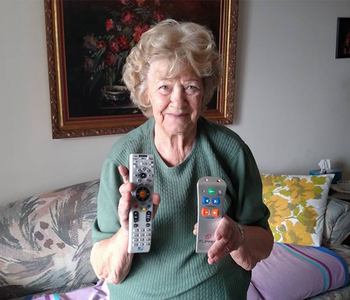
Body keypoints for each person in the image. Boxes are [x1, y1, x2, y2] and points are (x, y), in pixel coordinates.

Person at [91, 19, 273, 299]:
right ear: (145, 92)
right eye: (164, 87)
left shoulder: (231, 151)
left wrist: (237, 235)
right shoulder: (122, 157)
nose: (178, 101)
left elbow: (263, 244)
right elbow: (105, 268)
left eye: (190, 87)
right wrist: (127, 231)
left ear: (204, 91)